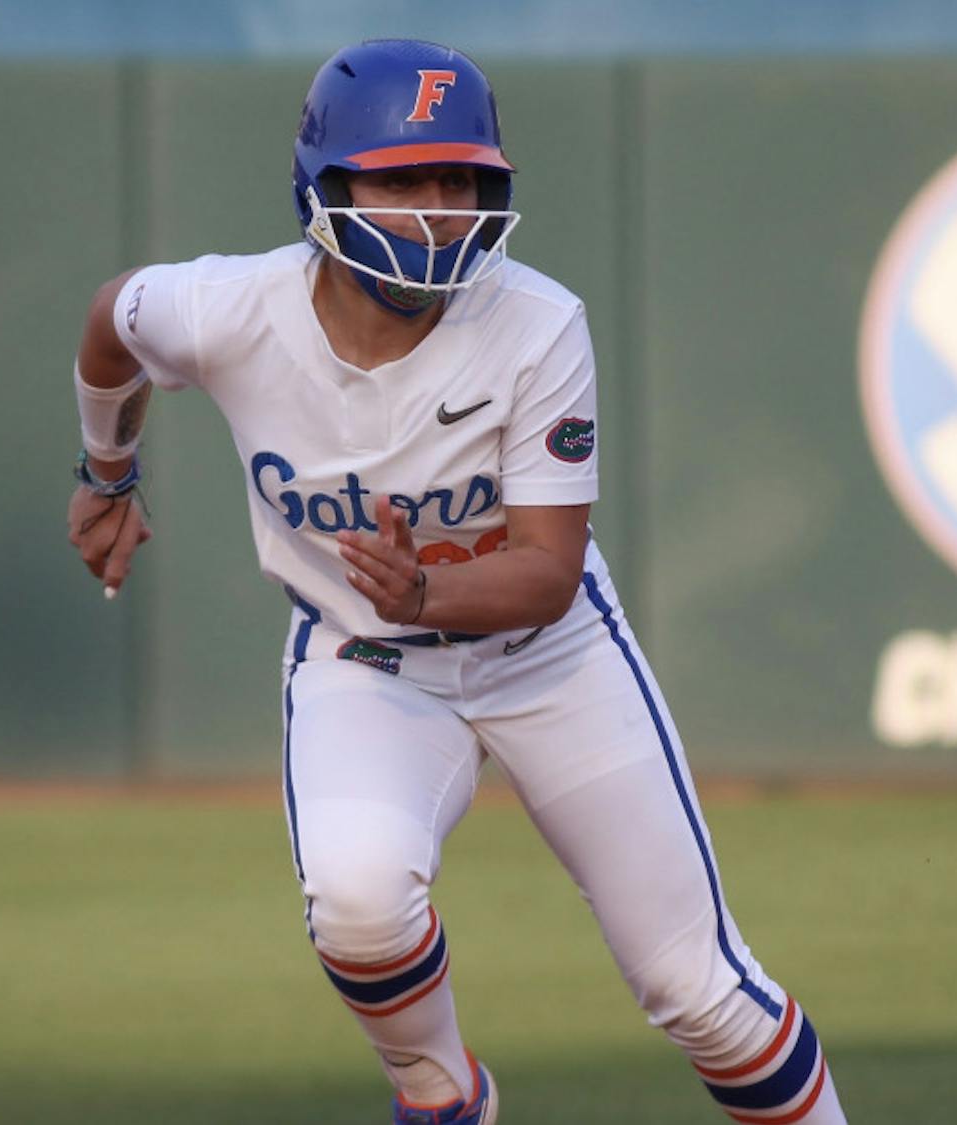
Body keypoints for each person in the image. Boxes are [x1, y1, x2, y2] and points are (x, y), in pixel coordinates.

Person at [67, 38, 848, 1125]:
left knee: (699, 992)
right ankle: (444, 1093)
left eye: (460, 179)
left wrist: (426, 593)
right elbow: (113, 321)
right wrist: (105, 471)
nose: (438, 208)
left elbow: (545, 573)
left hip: (550, 656)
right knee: (356, 906)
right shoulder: (227, 310)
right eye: (402, 179)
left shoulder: (535, 322)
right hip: (363, 657)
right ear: (324, 190)